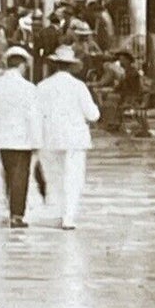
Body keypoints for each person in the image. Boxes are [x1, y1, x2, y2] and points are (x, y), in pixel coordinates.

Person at [36, 45, 100, 229]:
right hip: (75, 139)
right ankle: (68, 216)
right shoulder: (79, 87)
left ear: (54, 65)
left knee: (55, 177)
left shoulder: (42, 86)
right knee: (73, 177)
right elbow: (93, 114)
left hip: (50, 137)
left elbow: (36, 114)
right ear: (71, 66)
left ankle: (59, 211)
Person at [0, 46, 42, 227]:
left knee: (9, 173)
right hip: (23, 139)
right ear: (22, 65)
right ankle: (16, 214)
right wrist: (37, 141)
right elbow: (34, 117)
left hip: (2, 138)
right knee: (20, 175)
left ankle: (12, 207)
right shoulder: (29, 88)